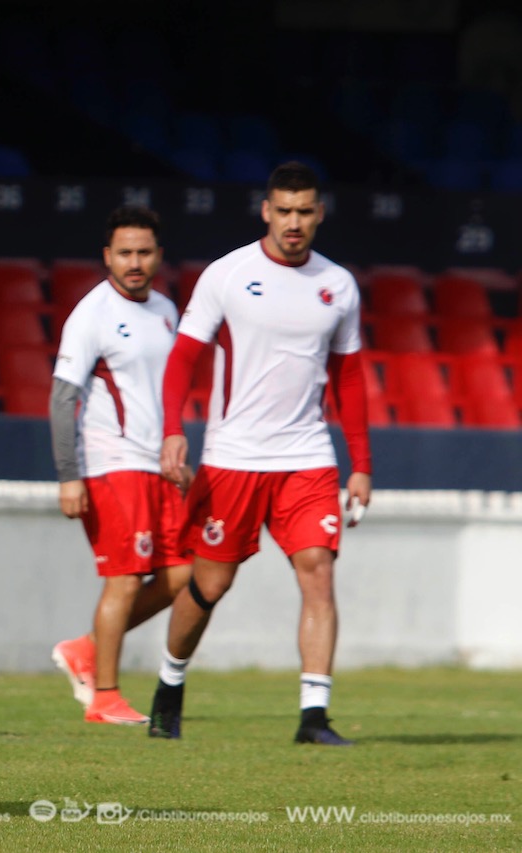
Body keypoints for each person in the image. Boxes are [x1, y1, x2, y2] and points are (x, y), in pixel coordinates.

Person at [150, 161, 372, 746]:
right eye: (284, 211)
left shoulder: (339, 285)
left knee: (318, 572)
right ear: (266, 211)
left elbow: (349, 379)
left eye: (305, 212)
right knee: (210, 585)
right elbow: (182, 359)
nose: (294, 222)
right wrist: (173, 429)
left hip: (307, 457)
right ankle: (169, 687)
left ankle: (314, 717)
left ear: (319, 213)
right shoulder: (227, 275)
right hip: (233, 458)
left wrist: (362, 464)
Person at [48, 206, 192, 725]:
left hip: (159, 467)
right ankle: (104, 697)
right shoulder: (92, 314)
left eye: (144, 252)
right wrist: (69, 476)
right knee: (126, 578)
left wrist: (178, 449)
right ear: (107, 256)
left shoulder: (167, 311)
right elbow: (62, 399)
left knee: (184, 572)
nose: (135, 262)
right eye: (125, 252)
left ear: (158, 255)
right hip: (111, 463)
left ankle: (86, 648)